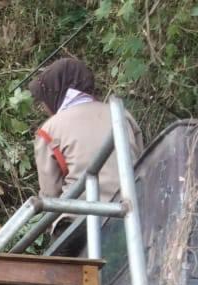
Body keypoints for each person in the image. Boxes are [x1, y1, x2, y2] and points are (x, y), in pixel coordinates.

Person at [29, 57, 143, 254]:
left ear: (54, 93)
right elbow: (142, 161)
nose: (44, 108)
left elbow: (50, 195)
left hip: (78, 223)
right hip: (133, 214)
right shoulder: (123, 116)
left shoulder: (50, 130)